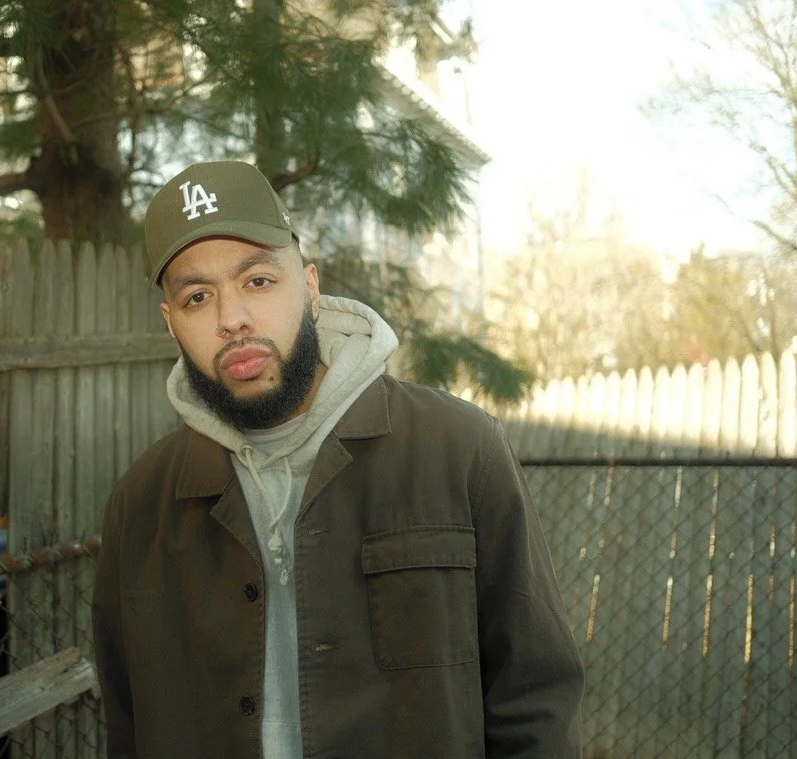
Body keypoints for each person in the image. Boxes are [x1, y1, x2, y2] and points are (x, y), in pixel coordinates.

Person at [92, 160, 585, 758]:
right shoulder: (142, 504)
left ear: (312, 286)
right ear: (172, 324)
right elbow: (128, 722)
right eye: (199, 297)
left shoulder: (457, 449)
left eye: (258, 282)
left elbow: (534, 696)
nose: (232, 319)